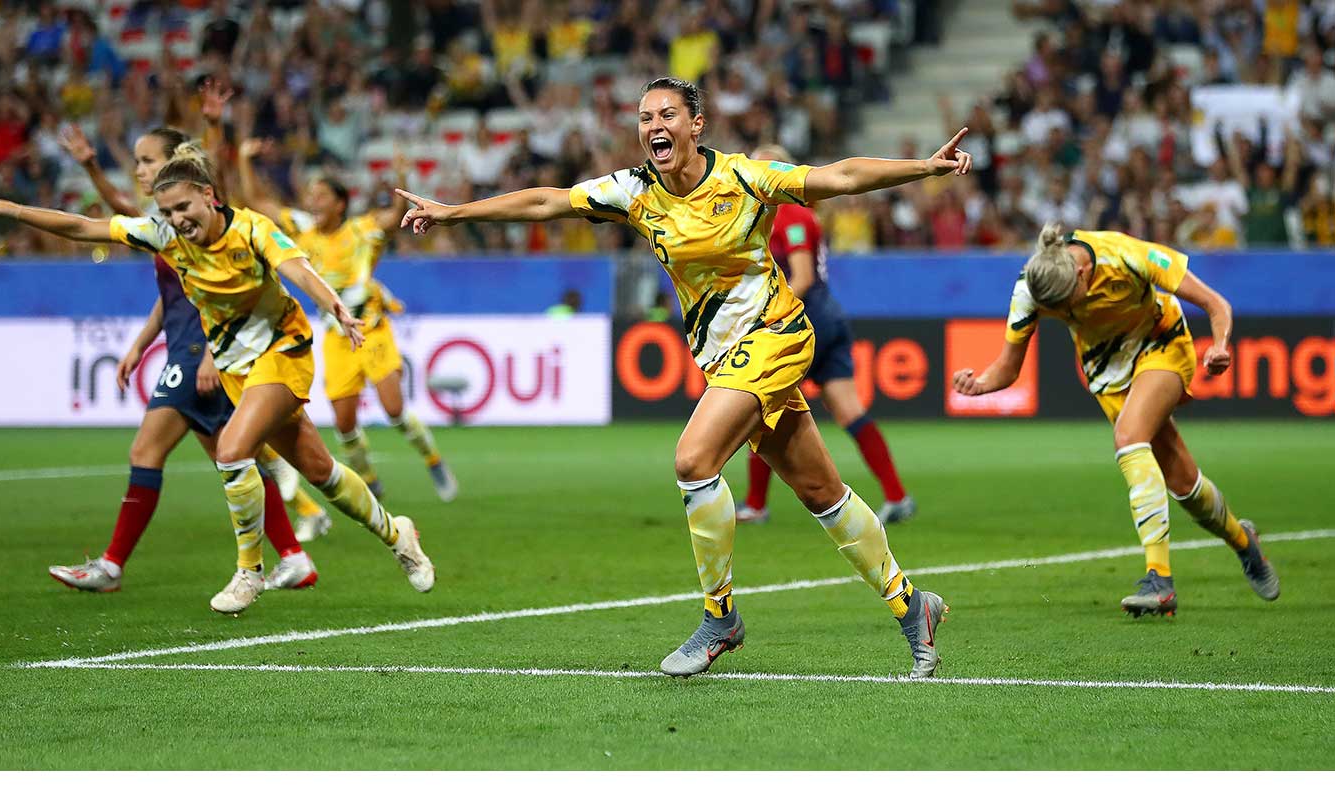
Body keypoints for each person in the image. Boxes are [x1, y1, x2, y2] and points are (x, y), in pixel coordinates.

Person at [395, 77, 971, 678]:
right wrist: (454, 213)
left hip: (777, 335)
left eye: (667, 114)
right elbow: (547, 201)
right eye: (644, 118)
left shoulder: (746, 178)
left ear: (697, 124)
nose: (653, 127)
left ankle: (720, 618)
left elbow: (840, 176)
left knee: (694, 461)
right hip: (725, 357)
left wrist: (925, 169)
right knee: (821, 493)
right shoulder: (632, 190)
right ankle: (914, 608)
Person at [0, 147, 435, 615]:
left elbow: (298, 269)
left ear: (207, 195)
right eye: (167, 210)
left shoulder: (251, 229)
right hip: (235, 369)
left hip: (282, 351)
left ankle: (249, 571)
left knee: (231, 450)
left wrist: (334, 306)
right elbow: (81, 225)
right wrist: (4, 208)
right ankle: (399, 535)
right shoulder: (164, 236)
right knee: (320, 472)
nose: (177, 218)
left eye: (183, 206)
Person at [47, 121, 322, 594]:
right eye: (136, 161)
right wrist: (140, 343)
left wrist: (215, 356)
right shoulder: (166, 224)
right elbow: (167, 290)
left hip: (202, 349)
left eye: (148, 160)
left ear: (176, 165)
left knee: (151, 450)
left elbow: (217, 289)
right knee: (233, 458)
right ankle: (294, 554)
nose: (139, 169)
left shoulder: (195, 220)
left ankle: (111, 566)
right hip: (184, 345)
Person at [951, 224, 1279, 617]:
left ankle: (1159, 580)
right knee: (1183, 484)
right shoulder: (1033, 286)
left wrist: (1221, 346)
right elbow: (1008, 367)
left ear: (1083, 274)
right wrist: (979, 385)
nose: (1066, 313)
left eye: (1067, 304)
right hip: (1107, 374)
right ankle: (1245, 543)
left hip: (1161, 343)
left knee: (1129, 437)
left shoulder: (1128, 256)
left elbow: (1216, 304)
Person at [235, 139, 457, 503]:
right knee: (343, 423)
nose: (312, 201)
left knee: (395, 410)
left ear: (340, 204)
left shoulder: (362, 231)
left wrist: (401, 175)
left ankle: (433, 460)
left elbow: (394, 216)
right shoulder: (302, 227)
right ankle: (369, 478)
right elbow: (258, 204)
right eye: (310, 195)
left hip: (371, 329)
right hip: (336, 336)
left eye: (321, 196)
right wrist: (245, 160)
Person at [735, 143, 914, 528]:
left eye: (757, 168)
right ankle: (897, 496)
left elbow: (802, 277)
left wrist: (763, 315)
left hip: (806, 320)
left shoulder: (787, 215)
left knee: (761, 405)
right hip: (829, 316)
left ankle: (754, 504)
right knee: (849, 411)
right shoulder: (789, 214)